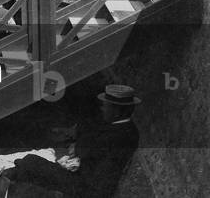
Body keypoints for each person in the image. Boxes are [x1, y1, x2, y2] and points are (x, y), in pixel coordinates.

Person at [8, 85, 141, 198]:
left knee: (30, 162)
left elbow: (83, 150)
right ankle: (9, 182)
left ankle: (6, 183)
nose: (102, 109)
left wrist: (77, 146)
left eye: (106, 107)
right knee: (28, 167)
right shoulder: (125, 127)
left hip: (88, 188)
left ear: (117, 111)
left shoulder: (121, 135)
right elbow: (90, 133)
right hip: (85, 176)